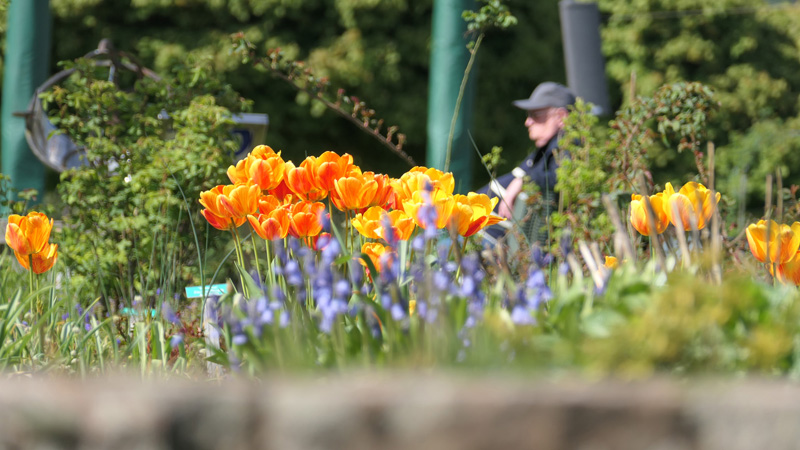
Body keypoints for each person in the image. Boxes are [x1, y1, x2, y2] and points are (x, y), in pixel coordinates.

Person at [479, 82, 576, 243]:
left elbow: (559, 176)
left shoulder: (565, 145)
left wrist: (524, 181)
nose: (527, 122)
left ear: (561, 116)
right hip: (478, 231)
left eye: (535, 115)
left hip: (491, 239)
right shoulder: (547, 147)